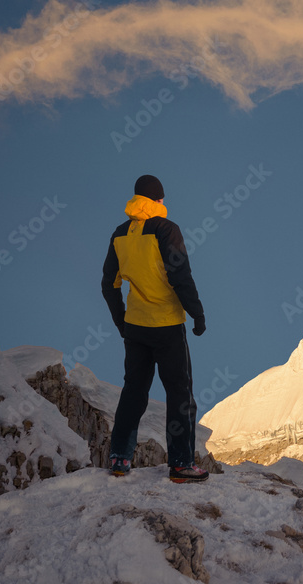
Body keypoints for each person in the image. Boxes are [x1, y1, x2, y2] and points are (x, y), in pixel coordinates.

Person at [101, 174, 209, 483]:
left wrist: (121, 320)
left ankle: (120, 458)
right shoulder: (166, 229)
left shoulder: (120, 234)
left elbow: (109, 284)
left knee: (134, 391)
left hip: (135, 325)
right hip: (167, 325)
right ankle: (181, 464)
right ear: (158, 200)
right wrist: (197, 314)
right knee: (180, 394)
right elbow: (180, 275)